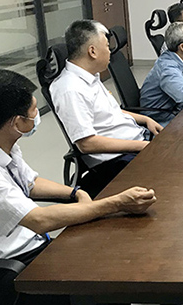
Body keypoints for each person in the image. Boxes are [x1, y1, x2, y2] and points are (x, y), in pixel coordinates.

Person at [0, 68, 156, 305]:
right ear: (17, 122)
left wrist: (75, 192)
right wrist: (114, 203)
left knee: (113, 263)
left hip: (23, 249)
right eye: (34, 111)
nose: (37, 116)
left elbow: (29, 183)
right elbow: (38, 220)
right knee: (88, 292)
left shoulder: (0, 143)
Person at [50, 19, 162, 196]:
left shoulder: (90, 77)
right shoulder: (70, 89)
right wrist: (140, 146)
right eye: (107, 46)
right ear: (92, 51)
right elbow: (86, 144)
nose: (110, 52)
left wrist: (145, 119)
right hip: (117, 160)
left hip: (136, 141)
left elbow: (111, 112)